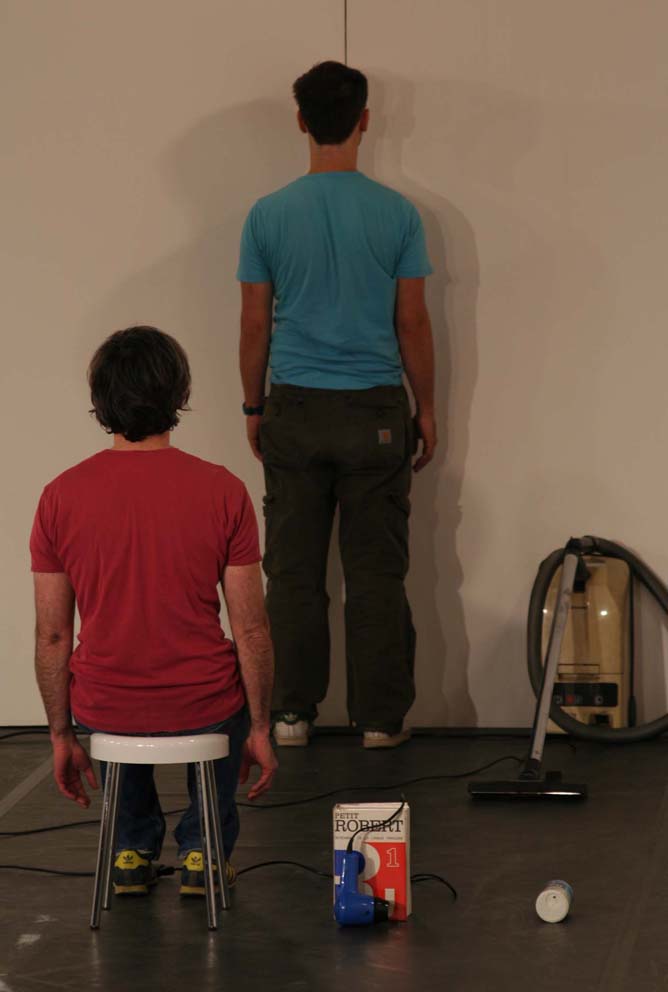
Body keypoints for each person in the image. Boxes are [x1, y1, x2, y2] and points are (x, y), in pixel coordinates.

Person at [30, 326, 277, 897]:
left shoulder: (60, 496)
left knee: (112, 693)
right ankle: (203, 851)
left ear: (100, 400)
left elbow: (52, 637)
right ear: (179, 394)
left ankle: (131, 849)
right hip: (203, 703)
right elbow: (251, 629)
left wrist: (61, 734)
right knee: (224, 694)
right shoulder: (223, 490)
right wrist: (262, 728)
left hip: (105, 705)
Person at [237, 61, 436, 750]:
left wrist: (253, 408)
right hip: (374, 412)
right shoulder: (397, 214)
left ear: (300, 120)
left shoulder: (267, 215)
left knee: (292, 573)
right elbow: (412, 322)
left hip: (294, 408)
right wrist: (426, 408)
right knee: (376, 573)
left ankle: (291, 714)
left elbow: (255, 324)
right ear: (365, 120)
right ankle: (380, 721)